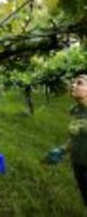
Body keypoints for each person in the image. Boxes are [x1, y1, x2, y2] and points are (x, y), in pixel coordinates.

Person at [48, 74, 87, 206]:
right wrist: (62, 149)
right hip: (78, 164)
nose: (73, 85)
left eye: (79, 83)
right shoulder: (75, 110)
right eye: (73, 83)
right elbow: (75, 138)